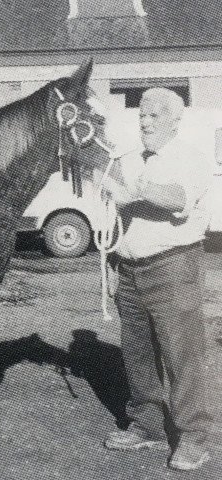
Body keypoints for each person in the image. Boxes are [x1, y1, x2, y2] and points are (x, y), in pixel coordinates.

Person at [102, 88, 213, 471]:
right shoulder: (127, 159)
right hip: (129, 269)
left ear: (175, 120)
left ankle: (194, 438)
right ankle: (147, 425)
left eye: (155, 116)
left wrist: (133, 189)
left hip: (173, 267)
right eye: (142, 116)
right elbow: (111, 207)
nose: (146, 122)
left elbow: (176, 198)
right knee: (137, 353)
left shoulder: (192, 159)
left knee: (183, 355)